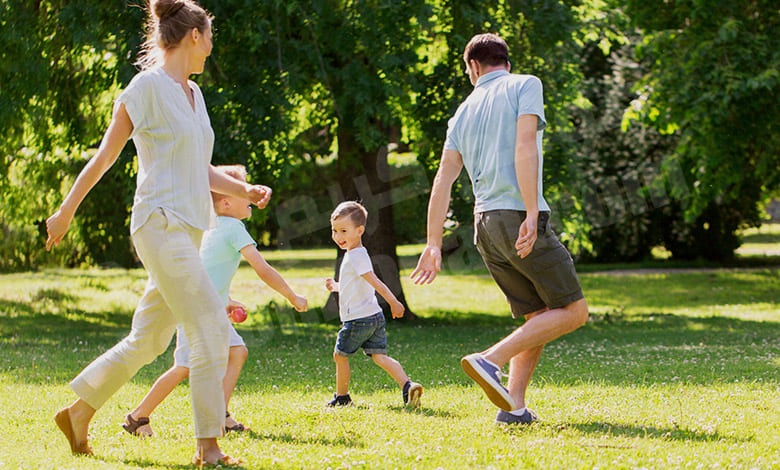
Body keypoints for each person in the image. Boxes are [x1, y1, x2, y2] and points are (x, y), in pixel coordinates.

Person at [45, 0, 269, 465]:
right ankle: (208, 445)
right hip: (158, 223)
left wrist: (242, 189)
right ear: (193, 36)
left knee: (149, 340)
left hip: (186, 230)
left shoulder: (195, 94)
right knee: (209, 327)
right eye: (209, 37)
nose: (211, 47)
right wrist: (65, 211)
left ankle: (79, 412)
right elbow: (105, 155)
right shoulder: (146, 87)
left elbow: (198, 167)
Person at [410, 33, 589, 425]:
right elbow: (526, 146)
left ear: (474, 67)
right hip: (516, 215)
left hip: (485, 226)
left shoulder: (462, 112)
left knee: (538, 314)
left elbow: (443, 180)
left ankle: (514, 408)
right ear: (504, 60)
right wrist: (530, 211)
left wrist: (433, 243)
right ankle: (489, 361)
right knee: (574, 311)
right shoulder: (526, 84)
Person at [122, 165, 308, 438]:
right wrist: (292, 296)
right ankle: (138, 416)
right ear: (226, 201)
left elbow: (207, 271)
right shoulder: (234, 227)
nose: (250, 198)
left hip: (206, 307)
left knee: (237, 351)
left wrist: (226, 300)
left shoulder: (209, 228)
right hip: (196, 310)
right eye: (243, 190)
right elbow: (262, 268)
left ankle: (220, 412)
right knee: (184, 366)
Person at [325, 201, 423, 408]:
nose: (338, 236)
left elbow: (374, 281)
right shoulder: (356, 254)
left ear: (360, 230)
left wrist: (394, 302)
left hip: (358, 319)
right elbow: (355, 284)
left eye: (344, 230)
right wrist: (336, 286)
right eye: (335, 230)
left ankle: (342, 398)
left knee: (339, 356)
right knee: (380, 357)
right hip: (374, 317)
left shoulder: (356, 255)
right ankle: (407, 386)